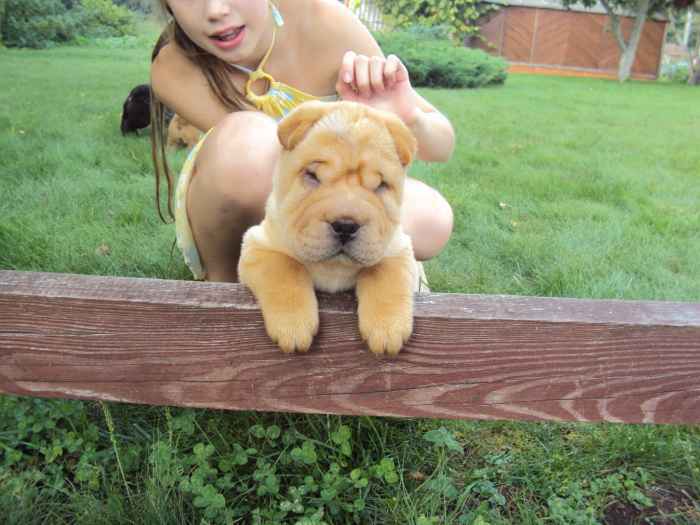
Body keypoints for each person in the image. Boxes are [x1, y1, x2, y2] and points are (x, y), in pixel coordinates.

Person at [150, 0, 455, 282]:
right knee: (247, 146)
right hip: (252, 195)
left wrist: (404, 117)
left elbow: (442, 146)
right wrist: (341, 129)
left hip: (344, 196)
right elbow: (267, 172)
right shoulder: (173, 67)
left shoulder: (321, 17)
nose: (215, 10)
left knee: (433, 217)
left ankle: (343, 286)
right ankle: (225, 288)